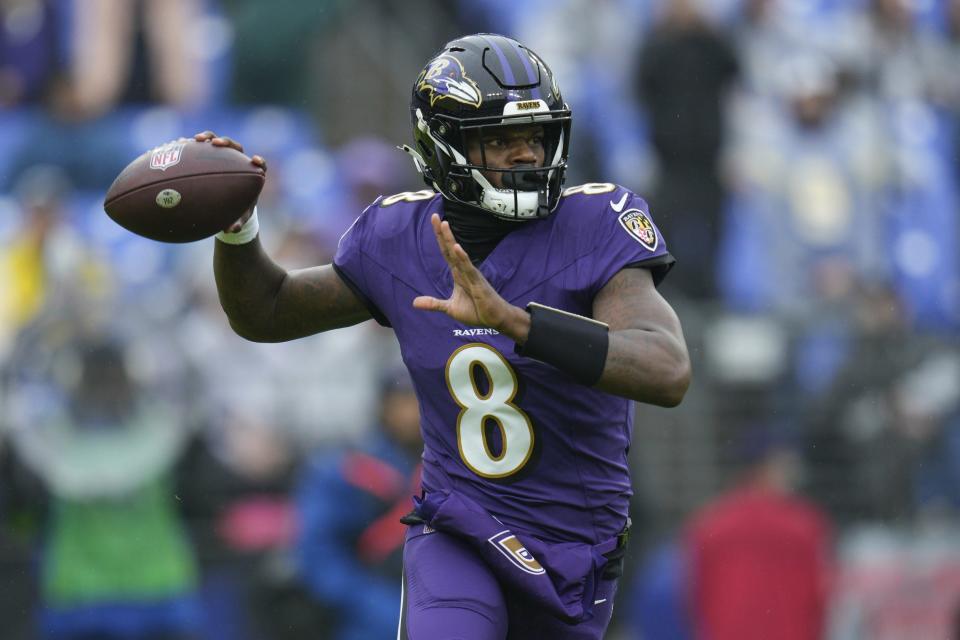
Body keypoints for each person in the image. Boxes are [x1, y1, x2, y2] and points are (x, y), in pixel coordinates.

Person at [199, 32, 691, 639]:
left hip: (578, 543)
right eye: (499, 139)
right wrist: (236, 229)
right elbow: (266, 312)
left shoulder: (596, 222)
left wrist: (518, 323)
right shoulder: (397, 237)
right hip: (461, 526)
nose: (524, 155)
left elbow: (667, 370)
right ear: (445, 146)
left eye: (534, 136)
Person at [294, 367, 422, 640]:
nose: (412, 413)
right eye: (403, 401)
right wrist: (368, 601)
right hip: (368, 609)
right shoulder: (346, 468)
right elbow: (318, 551)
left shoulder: (454, 466)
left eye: (419, 400)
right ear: (383, 406)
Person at [685, 426, 833, 640]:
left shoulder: (708, 525)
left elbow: (695, 600)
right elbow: (819, 599)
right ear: (767, 467)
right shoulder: (806, 526)